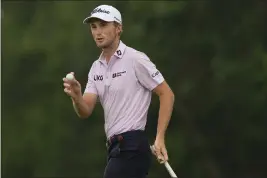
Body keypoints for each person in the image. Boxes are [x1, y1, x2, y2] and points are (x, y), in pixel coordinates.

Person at [63, 4, 175, 178]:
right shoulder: (96, 68)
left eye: (103, 25)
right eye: (94, 27)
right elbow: (85, 110)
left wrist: (160, 137)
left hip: (132, 146)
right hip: (114, 149)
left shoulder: (135, 59)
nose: (98, 32)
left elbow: (166, 93)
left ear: (118, 29)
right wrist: (77, 97)